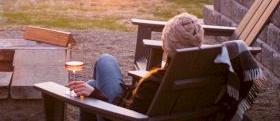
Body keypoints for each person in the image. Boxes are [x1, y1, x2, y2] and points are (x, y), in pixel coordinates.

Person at [68, 13, 204, 120]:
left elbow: (126, 115)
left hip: (119, 115)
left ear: (166, 45)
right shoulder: (206, 73)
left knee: (105, 61)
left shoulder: (156, 82)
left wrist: (96, 94)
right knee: (91, 84)